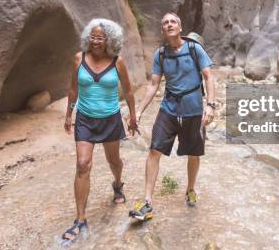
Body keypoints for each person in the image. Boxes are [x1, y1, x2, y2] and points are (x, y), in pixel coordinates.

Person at [129, 12, 215, 221]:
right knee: (154, 150)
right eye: (165, 22)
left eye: (173, 21)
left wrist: (210, 106)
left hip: (193, 110)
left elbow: (209, 77)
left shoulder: (195, 49)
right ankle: (147, 201)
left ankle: (190, 189)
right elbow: (153, 84)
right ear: (162, 30)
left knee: (193, 153)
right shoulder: (160, 55)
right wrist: (138, 111)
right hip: (168, 109)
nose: (169, 24)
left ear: (180, 27)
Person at [61, 18, 139, 245]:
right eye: (93, 37)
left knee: (114, 160)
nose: (96, 41)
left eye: (100, 37)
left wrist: (132, 116)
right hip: (85, 119)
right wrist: (69, 114)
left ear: (109, 40)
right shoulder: (79, 58)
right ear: (88, 37)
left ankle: (117, 183)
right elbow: (73, 89)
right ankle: (80, 219)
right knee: (83, 164)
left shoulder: (117, 62)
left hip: (110, 119)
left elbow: (129, 91)